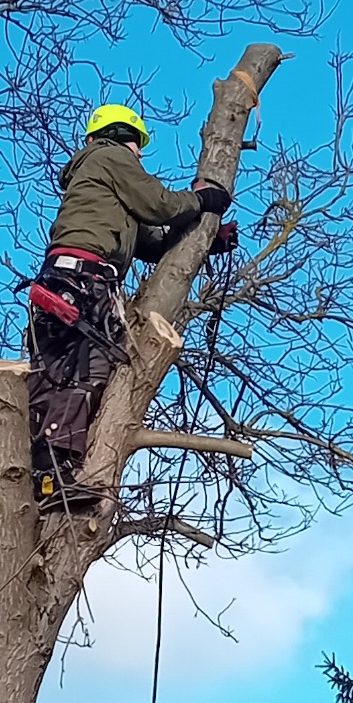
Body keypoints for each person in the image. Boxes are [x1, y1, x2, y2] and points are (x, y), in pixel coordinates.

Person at [26, 103, 236, 506]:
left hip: (63, 277)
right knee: (88, 371)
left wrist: (208, 242)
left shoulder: (96, 184)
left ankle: (46, 476)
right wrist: (203, 198)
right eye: (139, 146)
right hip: (85, 278)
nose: (140, 154)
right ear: (127, 137)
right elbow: (160, 204)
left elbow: (153, 244)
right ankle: (56, 474)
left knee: (53, 377)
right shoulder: (111, 157)